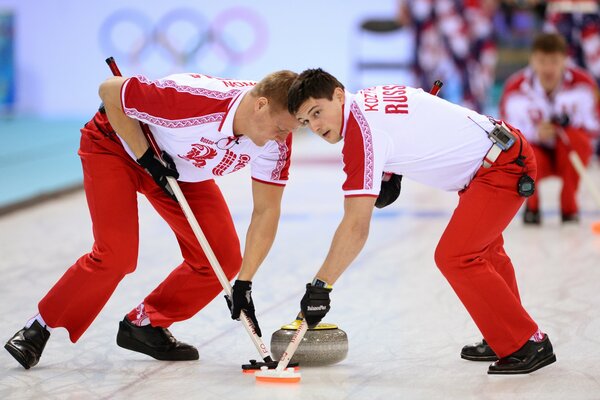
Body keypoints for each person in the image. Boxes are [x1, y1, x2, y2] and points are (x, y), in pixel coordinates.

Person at [4, 69, 300, 369]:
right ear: (260, 105)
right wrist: (146, 157)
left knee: (222, 260)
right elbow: (110, 90)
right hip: (115, 146)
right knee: (116, 255)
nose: (284, 138)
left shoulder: (276, 143)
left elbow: (266, 210)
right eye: (281, 128)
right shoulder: (194, 100)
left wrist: (244, 284)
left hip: (176, 166)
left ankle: (144, 323)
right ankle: (38, 327)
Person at [282, 68, 556, 375]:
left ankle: (525, 343)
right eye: (306, 122)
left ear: (338, 95)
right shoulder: (369, 97)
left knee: (457, 256)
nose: (316, 126)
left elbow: (356, 226)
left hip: (501, 167)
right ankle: (503, 335)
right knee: (485, 252)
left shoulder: (361, 132)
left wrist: (321, 286)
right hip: (495, 156)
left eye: (317, 112)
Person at [500, 32, 600, 224]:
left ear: (565, 59)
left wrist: (568, 125)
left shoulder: (584, 85)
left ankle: (569, 206)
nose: (548, 68)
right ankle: (532, 204)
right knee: (522, 151)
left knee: (578, 140)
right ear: (532, 60)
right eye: (542, 61)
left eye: (554, 61)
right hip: (536, 155)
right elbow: (507, 133)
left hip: (569, 154)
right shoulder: (515, 88)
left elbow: (594, 127)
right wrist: (536, 133)